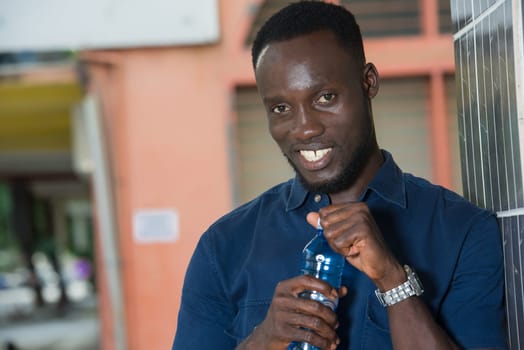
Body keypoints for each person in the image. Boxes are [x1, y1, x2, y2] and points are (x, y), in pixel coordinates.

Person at [172, 2, 506, 349]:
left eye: (325, 97)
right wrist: (264, 339)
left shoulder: (464, 232)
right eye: (281, 108)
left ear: (368, 82)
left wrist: (393, 281)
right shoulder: (224, 246)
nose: (304, 129)